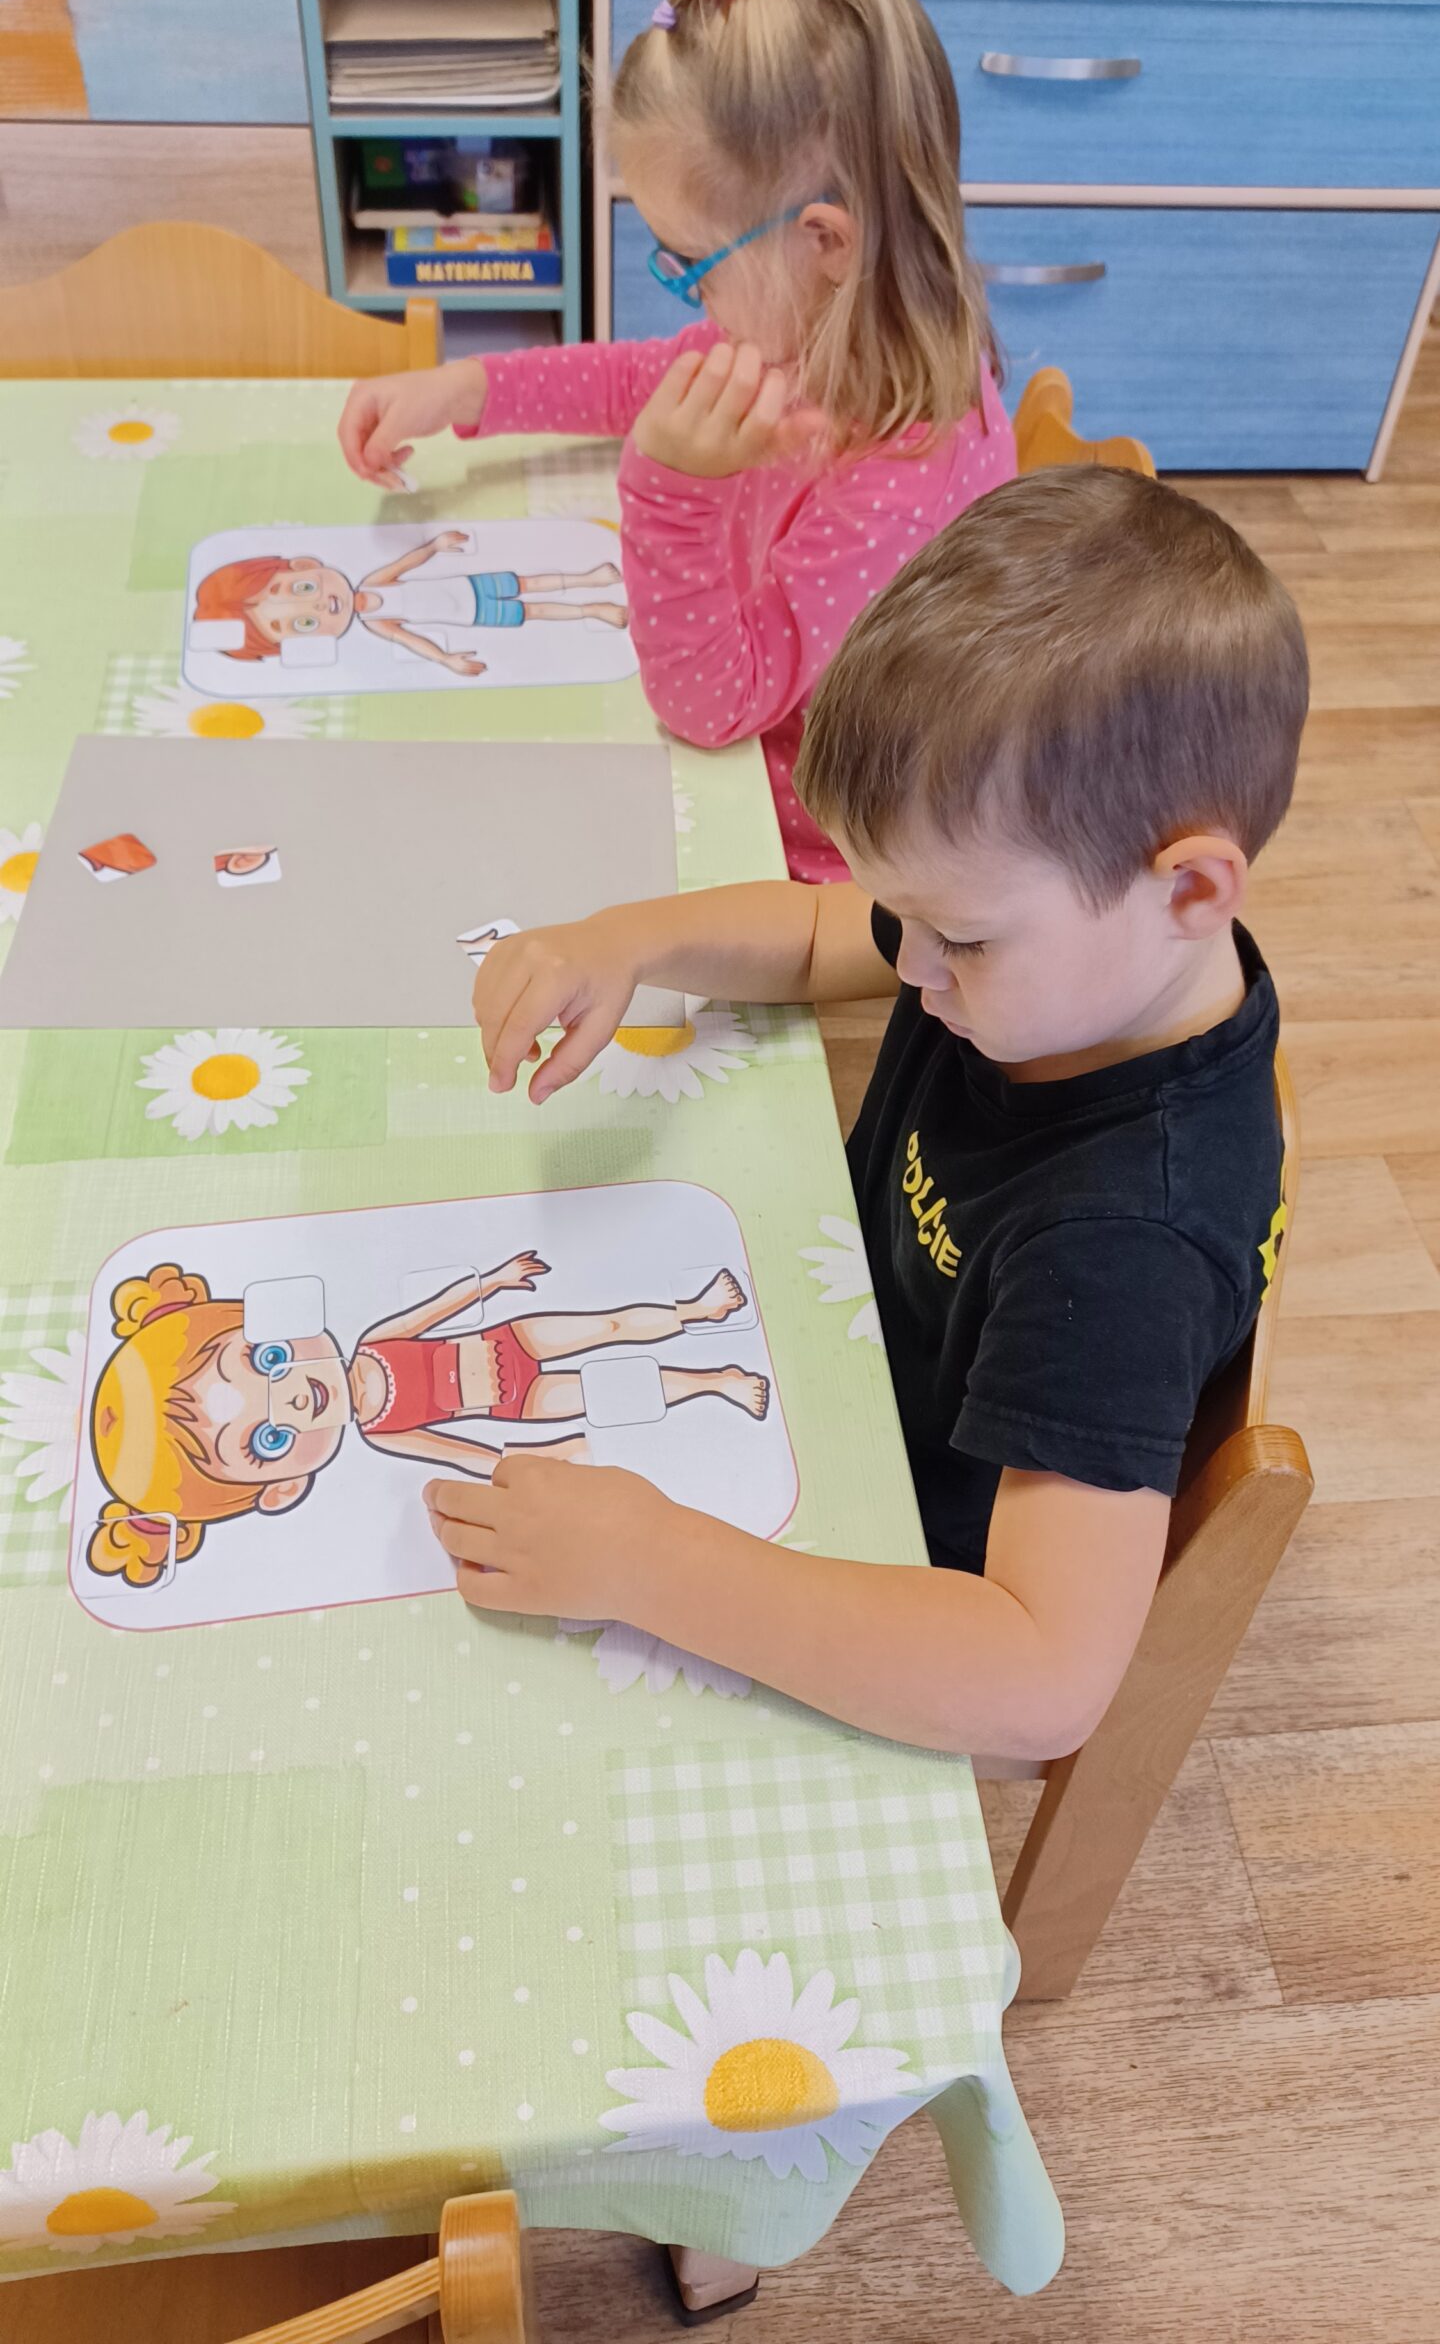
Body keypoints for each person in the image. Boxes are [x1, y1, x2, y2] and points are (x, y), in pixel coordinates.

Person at [446, 468, 1309, 1761]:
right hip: (831, 1334)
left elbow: (1040, 1678)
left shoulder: (1124, 1245)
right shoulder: (1081, 948)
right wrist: (621, 939)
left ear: (1191, 891)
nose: (907, 965)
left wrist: (647, 1562)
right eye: (901, 914)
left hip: (889, 1558)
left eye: (957, 936)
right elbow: (812, 935)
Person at [337, 0, 1013, 879]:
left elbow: (713, 707)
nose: (687, 295)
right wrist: (471, 388)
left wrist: (668, 491)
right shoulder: (814, 331)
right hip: (731, 766)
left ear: (825, 241)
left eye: (690, 262)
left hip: (810, 863)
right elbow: (647, 379)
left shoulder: (904, 473)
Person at [86, 1254, 763, 1588]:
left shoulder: (375, 1341)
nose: (291, 1398)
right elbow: (458, 1453)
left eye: (266, 1359)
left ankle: (698, 1310)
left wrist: (493, 1279)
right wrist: (541, 1458)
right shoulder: (382, 1431)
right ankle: (720, 1383)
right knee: (613, 1394)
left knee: (606, 1326)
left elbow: (436, 1311)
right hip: (514, 1404)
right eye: (269, 1440)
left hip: (508, 1341)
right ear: (284, 1486)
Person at [192, 535, 627, 682]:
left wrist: (435, 545)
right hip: (470, 615)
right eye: (305, 621)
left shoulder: (374, 582)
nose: (321, 603)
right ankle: (594, 609)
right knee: (533, 612)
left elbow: (407, 562)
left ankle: (588, 579)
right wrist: (447, 660)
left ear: (306, 565)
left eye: (303, 588)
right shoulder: (377, 624)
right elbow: (412, 640)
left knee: (529, 584)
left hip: (468, 585)